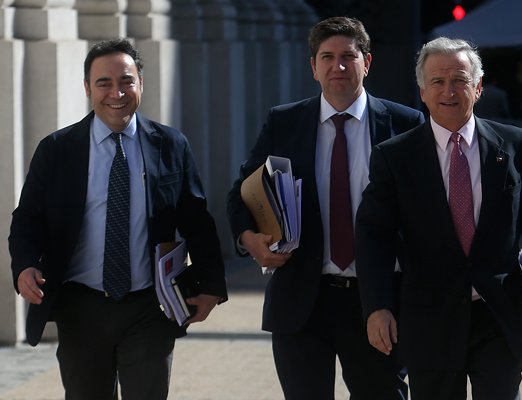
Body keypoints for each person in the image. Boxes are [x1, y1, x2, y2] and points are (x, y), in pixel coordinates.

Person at [355, 36, 522, 400]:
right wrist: (377, 307)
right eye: (437, 82)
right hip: (428, 317)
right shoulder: (395, 156)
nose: (449, 91)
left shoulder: (518, 146)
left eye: (459, 79)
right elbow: (373, 237)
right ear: (422, 91)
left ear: (478, 87)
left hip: (499, 315)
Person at [8, 38, 228, 400]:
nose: (116, 93)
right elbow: (28, 218)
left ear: (141, 82)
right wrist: (25, 266)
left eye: (126, 81)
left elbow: (196, 219)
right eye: (104, 83)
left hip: (149, 306)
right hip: (80, 307)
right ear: (87, 89)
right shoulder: (58, 150)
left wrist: (212, 285)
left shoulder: (170, 145)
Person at [227, 16, 424, 400]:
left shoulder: (406, 123)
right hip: (303, 298)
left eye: (349, 57)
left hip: (379, 301)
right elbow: (243, 191)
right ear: (313, 67)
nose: (338, 67)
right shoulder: (284, 122)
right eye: (327, 57)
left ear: (367, 63)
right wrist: (249, 238)